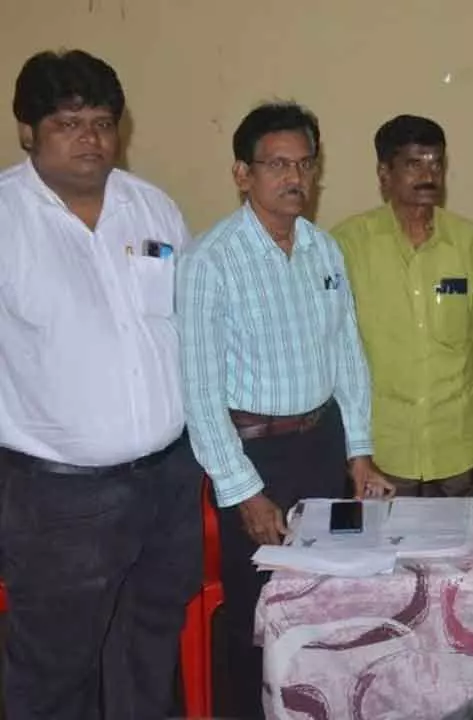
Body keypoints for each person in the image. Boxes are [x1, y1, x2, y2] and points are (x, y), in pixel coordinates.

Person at [177, 101, 393, 718]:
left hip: (321, 445)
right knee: (257, 618)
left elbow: (347, 355)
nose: (294, 177)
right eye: (277, 164)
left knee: (322, 603)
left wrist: (358, 451)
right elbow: (199, 391)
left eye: (305, 163)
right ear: (243, 173)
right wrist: (244, 491)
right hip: (254, 455)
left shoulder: (324, 250)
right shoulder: (210, 260)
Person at [0, 49, 198, 719]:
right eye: (68, 121)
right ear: (28, 130)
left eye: (103, 121)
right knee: (55, 671)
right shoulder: (6, 219)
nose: (90, 137)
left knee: (149, 653)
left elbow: (185, 327)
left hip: (166, 481)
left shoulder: (155, 209)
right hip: (59, 501)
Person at [332, 115, 473, 497]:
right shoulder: (347, 244)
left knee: (466, 555)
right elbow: (333, 346)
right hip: (383, 449)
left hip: (460, 443)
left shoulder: (469, 241)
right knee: (387, 555)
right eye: (414, 163)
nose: (428, 174)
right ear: (384, 173)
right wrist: (353, 448)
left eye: (436, 162)